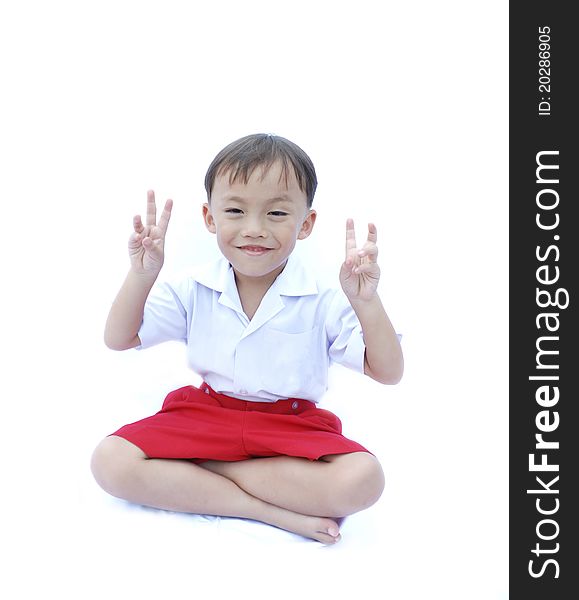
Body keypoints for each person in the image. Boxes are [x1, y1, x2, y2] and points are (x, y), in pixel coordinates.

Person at [91, 133, 403, 545]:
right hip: (207, 415)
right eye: (236, 210)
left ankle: (204, 470)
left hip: (288, 423)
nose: (254, 229)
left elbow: (389, 371)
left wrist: (367, 302)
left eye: (276, 213)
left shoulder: (324, 299)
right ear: (210, 217)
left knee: (365, 479)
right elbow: (119, 338)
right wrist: (143, 275)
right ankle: (268, 511)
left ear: (305, 224)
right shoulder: (194, 287)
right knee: (110, 461)